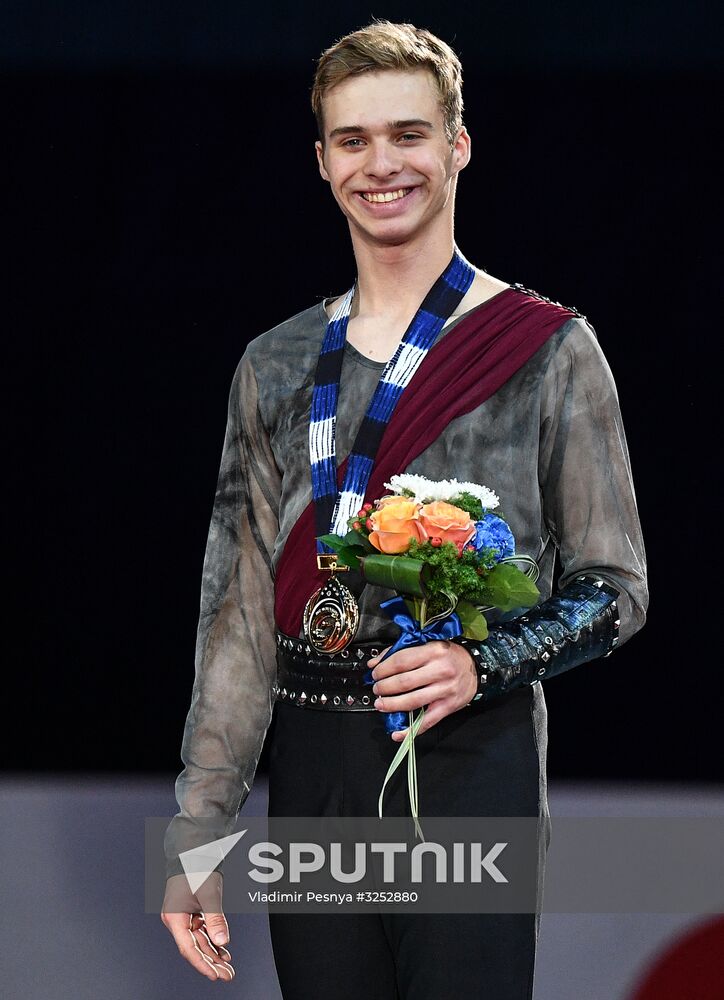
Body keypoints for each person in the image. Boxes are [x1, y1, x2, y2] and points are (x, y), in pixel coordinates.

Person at [161, 20, 648, 998]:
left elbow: (614, 587)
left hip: (472, 758)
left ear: (456, 144)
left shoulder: (548, 347)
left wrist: (485, 657)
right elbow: (239, 619)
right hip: (314, 758)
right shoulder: (277, 361)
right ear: (322, 160)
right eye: (352, 139)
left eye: (407, 134)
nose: (381, 164)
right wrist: (198, 830)